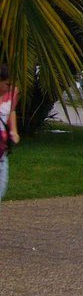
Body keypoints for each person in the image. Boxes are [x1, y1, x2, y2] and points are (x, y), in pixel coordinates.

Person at [0, 63, 20, 203]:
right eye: (7, 83)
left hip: (2, 151)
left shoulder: (12, 93)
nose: (10, 87)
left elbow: (11, 110)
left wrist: (13, 130)